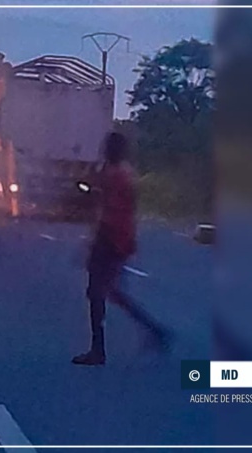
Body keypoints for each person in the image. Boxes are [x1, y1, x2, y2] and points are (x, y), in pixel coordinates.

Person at [72, 132, 170, 366]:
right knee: (112, 292)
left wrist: (92, 245)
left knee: (97, 294)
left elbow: (106, 211)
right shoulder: (125, 174)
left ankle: (98, 350)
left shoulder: (114, 176)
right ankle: (154, 330)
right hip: (122, 239)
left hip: (109, 240)